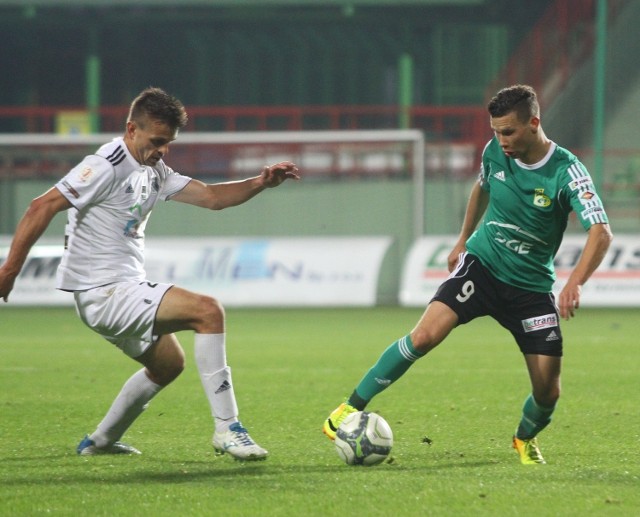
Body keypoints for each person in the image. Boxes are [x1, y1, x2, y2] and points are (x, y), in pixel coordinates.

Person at [0, 87, 299, 460]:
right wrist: (10, 270)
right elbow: (40, 206)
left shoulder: (153, 168)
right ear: (131, 130)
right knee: (208, 311)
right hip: (104, 291)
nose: (162, 150)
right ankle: (228, 428)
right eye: (157, 141)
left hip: (119, 290)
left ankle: (99, 442)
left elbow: (211, 197)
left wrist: (260, 183)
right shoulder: (107, 164)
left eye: (168, 143)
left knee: (168, 365)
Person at [322, 84, 613, 465]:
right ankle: (347, 408)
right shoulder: (495, 152)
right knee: (424, 336)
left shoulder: (567, 172)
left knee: (548, 393)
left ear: (534, 123)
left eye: (508, 131)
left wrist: (574, 282)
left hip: (530, 289)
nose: (500, 140)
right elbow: (482, 187)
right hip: (484, 264)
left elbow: (601, 231)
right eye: (495, 131)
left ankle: (524, 438)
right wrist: (462, 241)